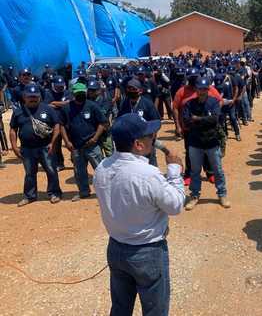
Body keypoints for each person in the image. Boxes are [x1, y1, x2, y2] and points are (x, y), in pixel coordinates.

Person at [94, 113, 185, 316]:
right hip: (147, 252)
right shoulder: (147, 175)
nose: (153, 138)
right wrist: (174, 172)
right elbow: (176, 205)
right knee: (154, 310)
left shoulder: (102, 168)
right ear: (138, 144)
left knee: (120, 307)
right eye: (149, 136)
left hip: (116, 247)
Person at [9, 83, 63, 206]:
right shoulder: (18, 112)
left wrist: (53, 142)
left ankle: (55, 193)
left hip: (45, 147)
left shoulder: (48, 109)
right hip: (27, 149)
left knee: (51, 170)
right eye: (30, 96)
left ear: (39, 97)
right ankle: (30, 196)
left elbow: (57, 125)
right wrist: (14, 146)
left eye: (35, 96)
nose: (33, 98)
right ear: (24, 97)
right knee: (29, 173)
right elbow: (13, 129)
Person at [183, 77, 230, 210]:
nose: (202, 91)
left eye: (204, 89)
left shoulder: (214, 102)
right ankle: (194, 196)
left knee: (218, 170)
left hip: (212, 142)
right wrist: (205, 120)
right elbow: (186, 121)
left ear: (208, 90)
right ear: (196, 89)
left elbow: (215, 120)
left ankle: (222, 194)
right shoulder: (189, 104)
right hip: (195, 142)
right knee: (195, 171)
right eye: (200, 89)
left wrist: (197, 119)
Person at [60, 83, 106, 201]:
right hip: (75, 146)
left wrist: (95, 138)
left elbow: (103, 123)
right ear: (73, 94)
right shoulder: (66, 108)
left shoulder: (92, 106)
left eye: (82, 93)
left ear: (85, 92)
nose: (80, 95)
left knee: (100, 170)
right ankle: (83, 191)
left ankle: (106, 191)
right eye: (78, 93)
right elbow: (62, 126)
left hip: (92, 145)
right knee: (79, 171)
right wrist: (66, 141)